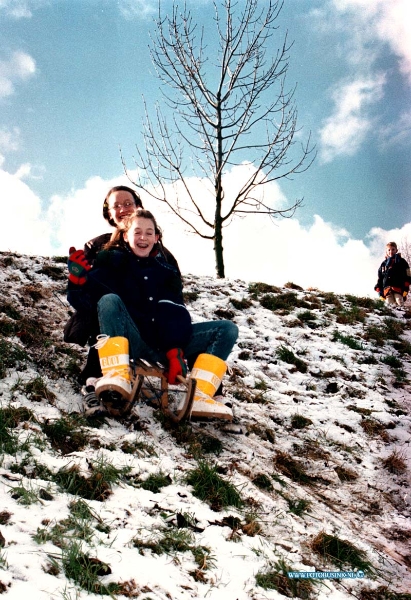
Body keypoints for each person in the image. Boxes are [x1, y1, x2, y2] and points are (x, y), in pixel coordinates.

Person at [67, 209, 238, 421]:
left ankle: (201, 396)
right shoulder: (112, 263)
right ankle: (116, 376)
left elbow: (174, 311)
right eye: (137, 232)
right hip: (133, 338)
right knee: (109, 300)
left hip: (163, 344)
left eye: (149, 233)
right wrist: (77, 282)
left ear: (156, 238)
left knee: (226, 329)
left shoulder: (166, 272)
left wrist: (175, 351)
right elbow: (87, 304)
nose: (143, 238)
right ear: (125, 235)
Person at [64, 185, 180, 383]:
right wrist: (78, 280)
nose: (123, 209)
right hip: (106, 316)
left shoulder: (163, 256)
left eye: (128, 204)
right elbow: (86, 296)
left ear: (138, 207)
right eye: (116, 206)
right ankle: (95, 377)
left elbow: (174, 298)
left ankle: (208, 392)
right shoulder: (97, 247)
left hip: (148, 324)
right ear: (109, 213)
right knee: (109, 303)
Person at [375, 241, 410, 308]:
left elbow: (407, 271)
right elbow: (380, 277)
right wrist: (378, 286)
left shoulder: (401, 261)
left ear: (396, 250)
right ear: (386, 252)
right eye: (389, 250)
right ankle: (392, 317)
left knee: (399, 300)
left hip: (398, 286)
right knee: (389, 303)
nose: (391, 251)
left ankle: (403, 315)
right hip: (387, 288)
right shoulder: (383, 264)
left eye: (393, 249)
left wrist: (407, 280)